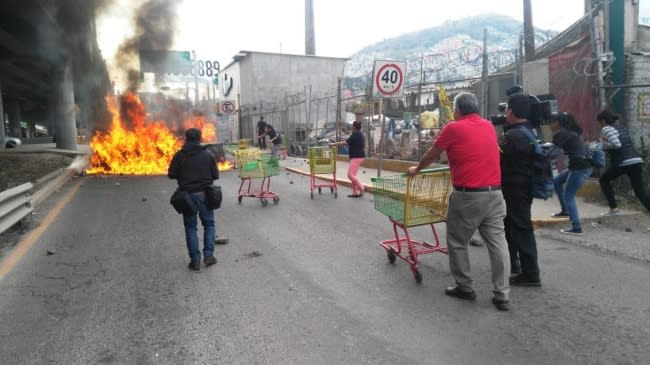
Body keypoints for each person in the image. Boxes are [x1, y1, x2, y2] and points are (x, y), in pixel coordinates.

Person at [407, 92, 510, 311]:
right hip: (495, 194)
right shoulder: (489, 126)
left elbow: (432, 154)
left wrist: (416, 169)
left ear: (458, 110)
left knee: (456, 241)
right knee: (498, 244)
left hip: (468, 196)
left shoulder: (453, 127)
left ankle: (465, 287)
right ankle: (502, 294)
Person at [500, 93, 542, 287]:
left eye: (507, 109)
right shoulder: (532, 130)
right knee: (512, 225)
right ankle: (515, 265)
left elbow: (497, 159)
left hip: (514, 187)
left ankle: (531, 274)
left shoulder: (512, 136)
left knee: (521, 228)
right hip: (525, 184)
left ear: (511, 111)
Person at [168, 128, 219, 271]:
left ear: (186, 139)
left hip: (187, 197)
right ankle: (209, 256)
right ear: (200, 138)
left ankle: (195, 261)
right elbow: (215, 176)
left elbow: (171, 174)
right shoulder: (208, 155)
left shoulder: (179, 156)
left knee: (190, 227)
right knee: (209, 224)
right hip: (205, 195)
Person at [596, 109, 650, 215]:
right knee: (639, 190)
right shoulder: (621, 128)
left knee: (604, 180)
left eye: (598, 122)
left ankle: (614, 208)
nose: (598, 125)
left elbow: (616, 144)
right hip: (636, 160)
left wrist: (602, 143)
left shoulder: (606, 128)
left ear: (603, 121)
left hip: (623, 161)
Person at [549, 112, 593, 235]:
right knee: (557, 181)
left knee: (569, 196)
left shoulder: (561, 133)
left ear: (557, 123)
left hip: (579, 168)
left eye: (551, 122)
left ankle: (576, 227)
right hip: (581, 166)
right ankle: (565, 211)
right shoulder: (570, 132)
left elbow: (552, 151)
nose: (549, 125)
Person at [330, 120, 366, 198]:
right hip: (359, 157)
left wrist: (334, 144)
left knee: (350, 175)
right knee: (353, 175)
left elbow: (345, 142)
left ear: (354, 127)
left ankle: (362, 188)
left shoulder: (355, 134)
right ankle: (355, 193)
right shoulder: (360, 134)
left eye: (352, 127)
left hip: (357, 157)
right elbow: (352, 144)